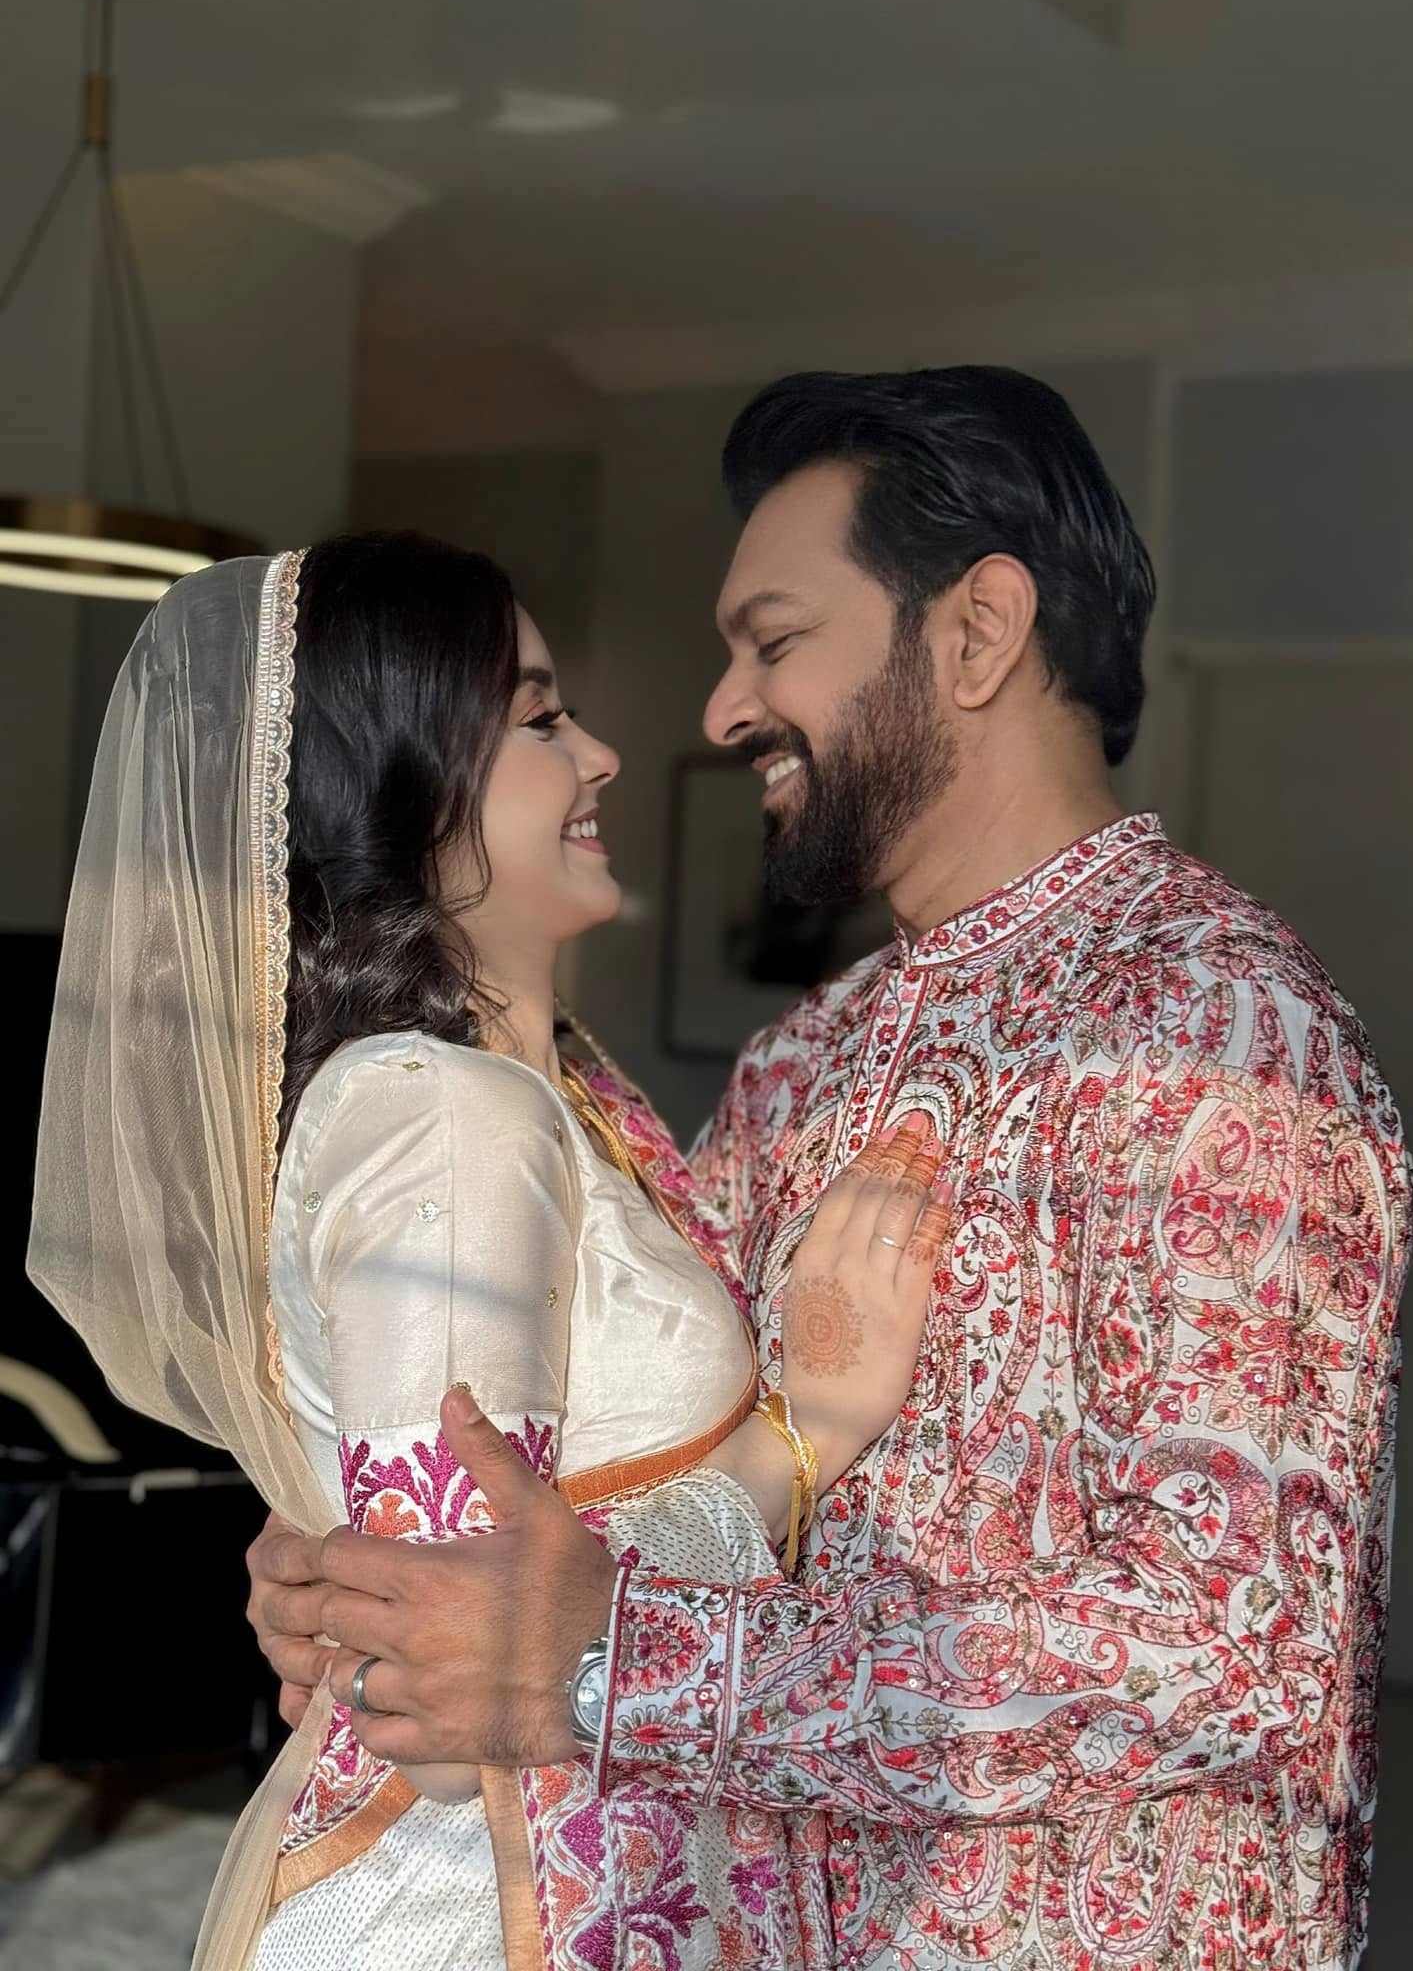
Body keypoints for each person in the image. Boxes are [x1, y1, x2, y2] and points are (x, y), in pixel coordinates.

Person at [250, 367, 1412, 1971]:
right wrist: (373, 1580)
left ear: (976, 635)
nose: (722, 711)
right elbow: (656, 1450)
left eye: (773, 641)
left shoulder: (1219, 1035)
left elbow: (1235, 1651)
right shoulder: (806, 1059)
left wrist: (606, 1665)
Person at [27, 531, 956, 1971]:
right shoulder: (446, 1117)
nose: (601, 757)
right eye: (539, 720)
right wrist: (808, 1434)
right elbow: (452, 1699)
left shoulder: (536, 1092)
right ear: (403, 793)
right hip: (455, 1915)